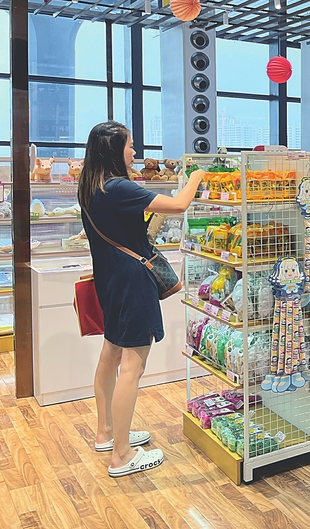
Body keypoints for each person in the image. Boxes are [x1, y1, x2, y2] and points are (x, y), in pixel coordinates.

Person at [78, 121, 205, 478]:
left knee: (111, 356)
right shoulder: (118, 187)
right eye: (130, 145)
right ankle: (121, 455)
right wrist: (196, 175)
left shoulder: (90, 185)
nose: (134, 152)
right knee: (132, 368)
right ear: (113, 150)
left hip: (110, 280)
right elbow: (179, 204)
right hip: (133, 283)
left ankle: (106, 433)